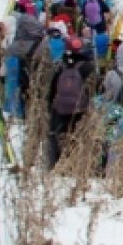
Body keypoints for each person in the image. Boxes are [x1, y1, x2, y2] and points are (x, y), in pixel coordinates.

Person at [46, 37, 97, 169]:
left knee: (56, 135)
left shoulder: (59, 66)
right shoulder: (87, 67)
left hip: (60, 109)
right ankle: (79, 164)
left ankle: (56, 164)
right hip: (80, 109)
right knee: (78, 136)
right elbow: (94, 90)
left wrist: (51, 106)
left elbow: (51, 91)